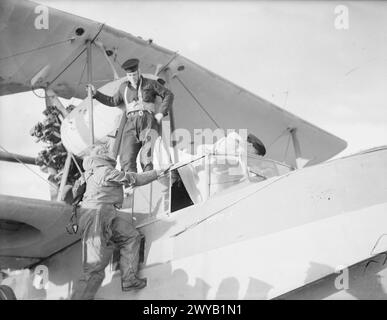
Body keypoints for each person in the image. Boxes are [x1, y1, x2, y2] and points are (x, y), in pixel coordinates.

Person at [71, 142, 168, 300]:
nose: (111, 153)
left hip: (106, 213)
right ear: (103, 154)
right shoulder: (105, 170)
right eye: (108, 150)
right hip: (97, 215)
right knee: (94, 268)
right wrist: (156, 173)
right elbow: (133, 179)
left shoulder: (90, 172)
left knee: (131, 236)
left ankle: (129, 279)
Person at [88, 58, 174, 173]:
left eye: (134, 74)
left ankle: (147, 180)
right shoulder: (123, 87)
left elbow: (168, 94)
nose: (132, 77)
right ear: (127, 75)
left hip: (147, 121)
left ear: (139, 72)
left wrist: (161, 112)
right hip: (131, 123)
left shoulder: (151, 83)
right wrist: (96, 94)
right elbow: (113, 101)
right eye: (130, 75)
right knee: (126, 156)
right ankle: (131, 185)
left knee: (146, 155)